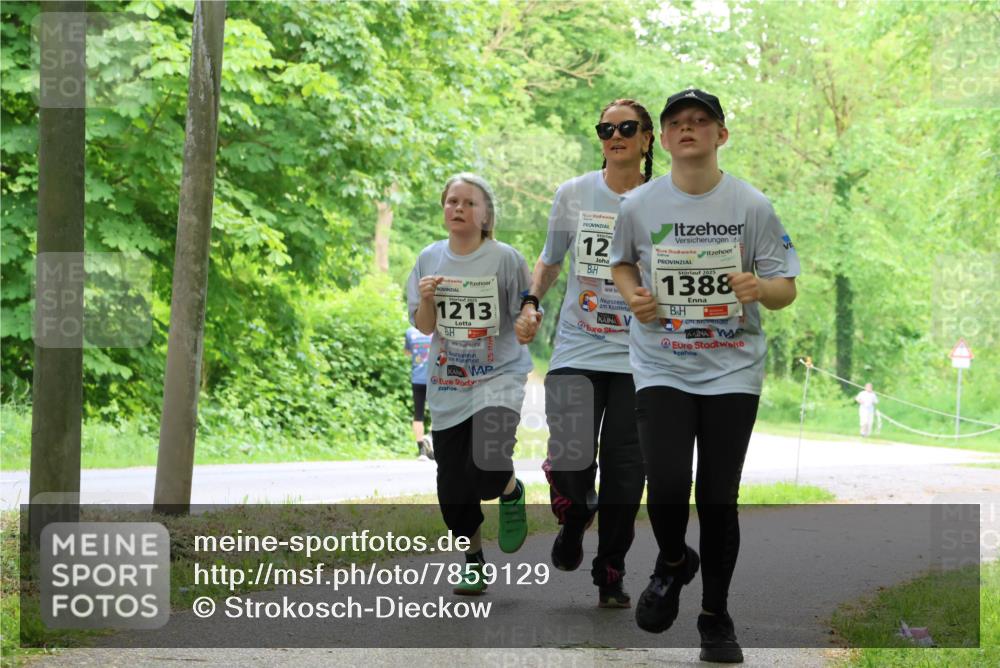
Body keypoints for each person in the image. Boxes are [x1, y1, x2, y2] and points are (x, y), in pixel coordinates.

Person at [610, 88, 800, 663]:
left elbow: (785, 287)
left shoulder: (752, 205)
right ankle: (673, 562)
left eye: (701, 121)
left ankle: (715, 618)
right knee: (666, 484)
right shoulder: (639, 206)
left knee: (717, 496)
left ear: (721, 134)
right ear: (662, 140)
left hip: (732, 369)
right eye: (677, 123)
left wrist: (758, 288)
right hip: (662, 361)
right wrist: (633, 296)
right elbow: (621, 263)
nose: (688, 129)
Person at [515, 99, 652, 609]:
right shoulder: (574, 194)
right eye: (605, 128)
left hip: (640, 359)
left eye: (626, 128)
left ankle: (611, 569)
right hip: (578, 345)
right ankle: (574, 516)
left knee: (625, 472)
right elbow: (551, 261)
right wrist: (531, 302)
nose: (614, 135)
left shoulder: (664, 198)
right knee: (573, 458)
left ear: (645, 139)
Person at [407, 173, 533, 596]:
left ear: (486, 215)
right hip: (448, 383)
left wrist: (527, 319)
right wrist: (427, 299)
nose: (458, 208)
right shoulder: (429, 258)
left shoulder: (505, 259)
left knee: (486, 466)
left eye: (469, 203)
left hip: (499, 376)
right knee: (453, 489)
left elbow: (526, 310)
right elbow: (425, 327)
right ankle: (474, 561)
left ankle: (510, 489)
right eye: (452, 201)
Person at [405, 325, 434, 460]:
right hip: (435, 379)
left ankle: (422, 451)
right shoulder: (436, 331)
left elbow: (407, 353)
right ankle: (431, 439)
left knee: (418, 414)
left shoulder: (409, 332)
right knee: (439, 413)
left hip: (417, 378)